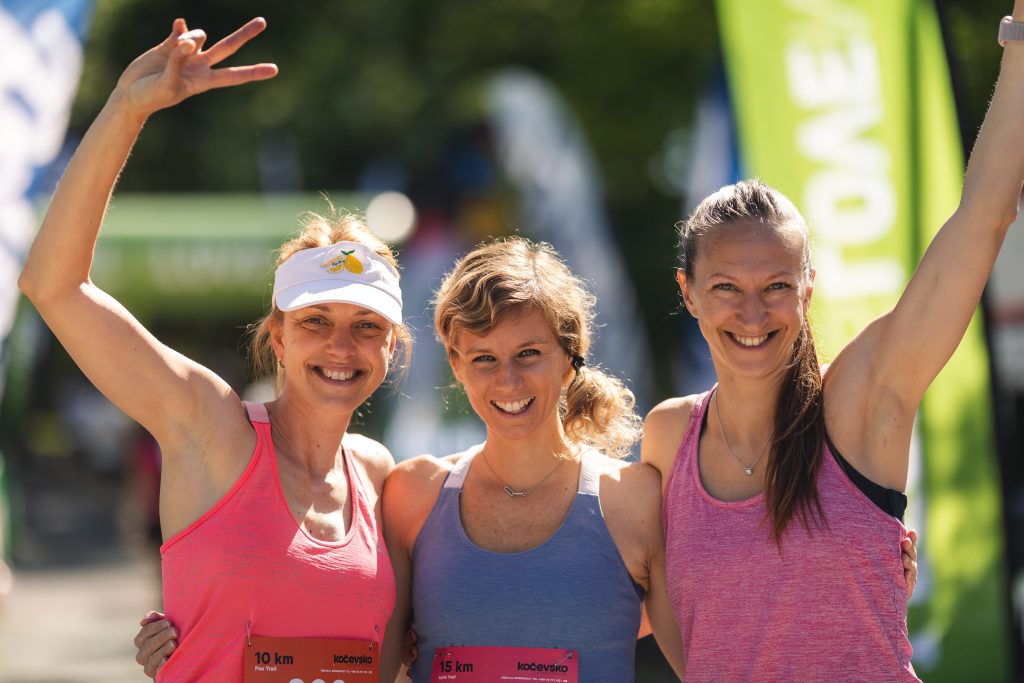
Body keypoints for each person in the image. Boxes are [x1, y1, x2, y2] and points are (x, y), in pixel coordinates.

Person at [641, 7, 1024, 679]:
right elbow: (671, 623)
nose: (752, 312)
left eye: (777, 285)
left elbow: (984, 215)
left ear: (808, 289)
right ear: (689, 291)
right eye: (726, 286)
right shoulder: (669, 436)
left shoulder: (860, 402)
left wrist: (1020, 39)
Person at [18, 18, 407, 681]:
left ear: (392, 346)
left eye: (367, 326)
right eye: (316, 321)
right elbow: (54, 286)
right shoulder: (210, 424)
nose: (342, 345)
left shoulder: (380, 475)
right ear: (278, 337)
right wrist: (127, 110)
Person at [383, 238, 685, 681]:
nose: (508, 381)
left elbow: (705, 660)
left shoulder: (637, 501)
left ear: (570, 354)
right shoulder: (412, 494)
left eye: (528, 354)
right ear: (456, 365)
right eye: (484, 358)